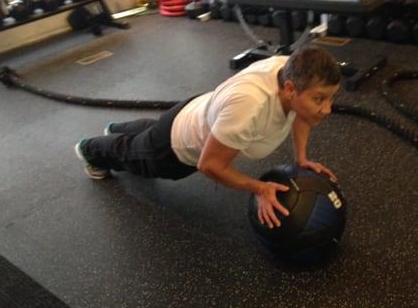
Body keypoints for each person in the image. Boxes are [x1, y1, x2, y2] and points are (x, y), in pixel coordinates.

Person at [75, 45, 341, 229]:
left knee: (148, 136)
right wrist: (259, 188)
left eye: (330, 98)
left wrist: (302, 158)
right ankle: (90, 149)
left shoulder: (293, 68)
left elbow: (305, 115)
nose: (327, 109)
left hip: (201, 111)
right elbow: (209, 165)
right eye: (320, 99)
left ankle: (118, 128)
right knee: (134, 155)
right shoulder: (251, 107)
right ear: (291, 89)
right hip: (177, 146)